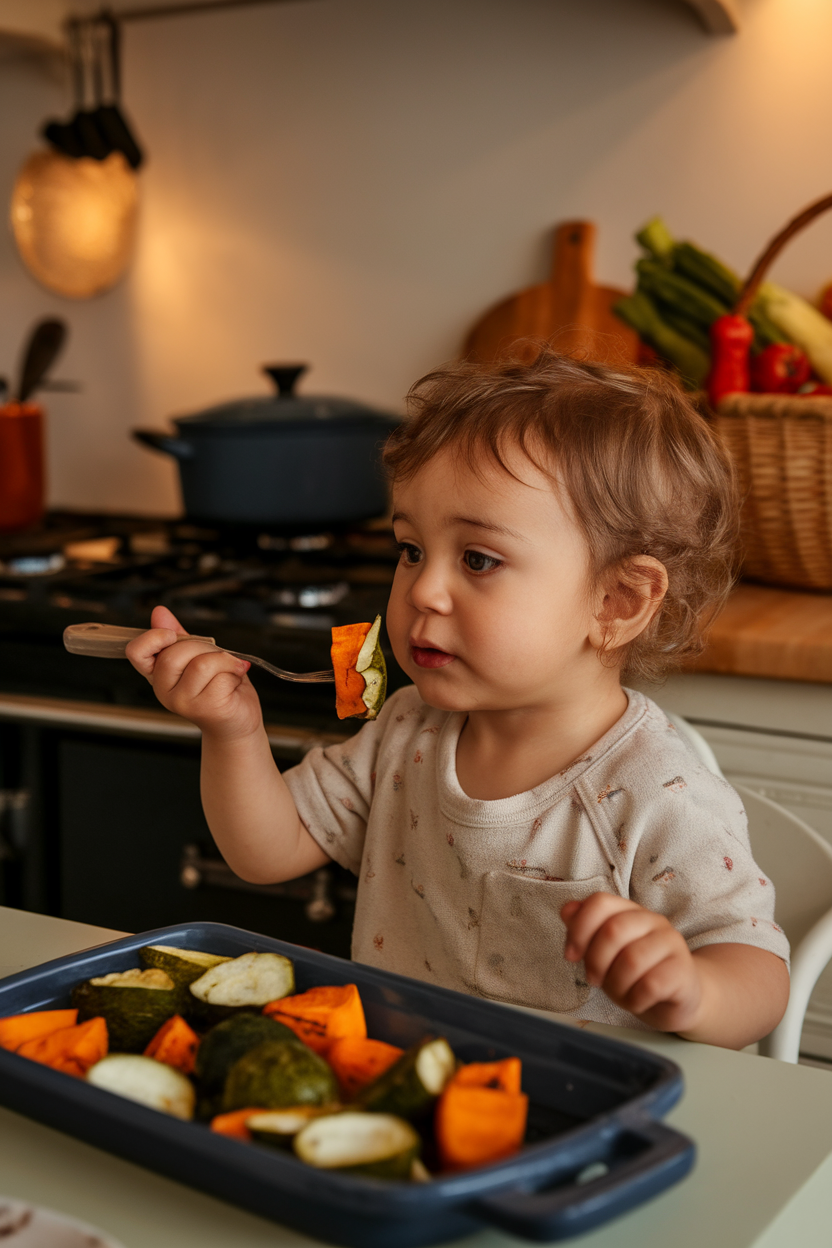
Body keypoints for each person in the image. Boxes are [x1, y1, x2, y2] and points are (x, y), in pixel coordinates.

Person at [126, 347, 789, 1049]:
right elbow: (267, 851)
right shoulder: (408, 729)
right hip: (399, 1085)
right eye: (411, 549)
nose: (422, 591)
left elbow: (759, 974)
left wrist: (693, 989)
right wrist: (232, 731)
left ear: (616, 601)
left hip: (571, 1119)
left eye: (478, 559)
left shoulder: (658, 790)